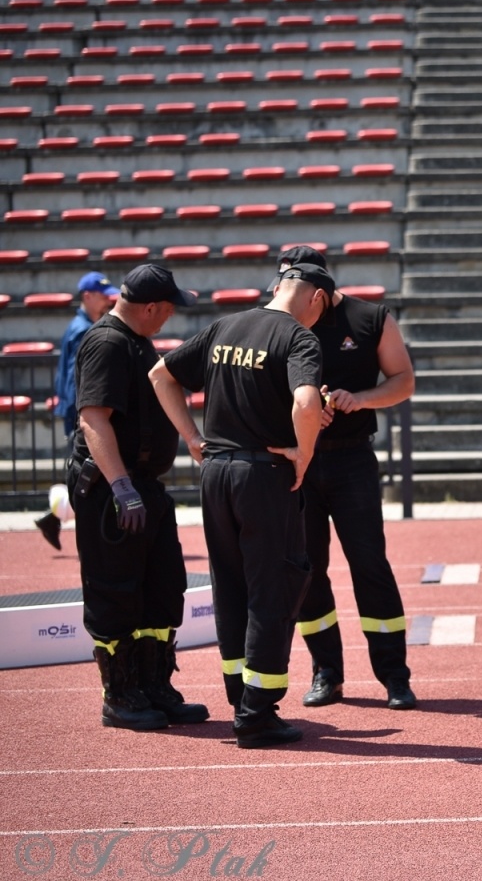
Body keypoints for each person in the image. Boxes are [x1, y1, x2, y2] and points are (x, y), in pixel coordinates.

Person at [150, 262, 330, 748]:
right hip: (263, 475)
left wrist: (191, 436)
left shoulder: (225, 326)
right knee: (275, 585)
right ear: (314, 298)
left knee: (229, 585)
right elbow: (307, 401)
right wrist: (304, 454)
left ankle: (239, 694)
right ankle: (256, 712)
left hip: (216, 471)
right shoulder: (298, 338)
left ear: (277, 288)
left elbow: (160, 374)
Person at [274, 247, 419, 711]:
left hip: (351, 460)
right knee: (307, 570)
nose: (287, 298)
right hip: (300, 463)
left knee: (370, 565)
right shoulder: (278, 323)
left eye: (297, 289)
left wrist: (359, 399)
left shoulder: (370, 318)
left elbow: (403, 381)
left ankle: (395, 676)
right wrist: (304, 409)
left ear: (320, 289)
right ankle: (327, 674)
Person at [67, 264, 208, 731]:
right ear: (150, 307)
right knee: (116, 593)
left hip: (143, 485)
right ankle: (121, 695)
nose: (169, 318)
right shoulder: (108, 342)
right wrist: (122, 488)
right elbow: (93, 419)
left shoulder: (136, 340)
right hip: (113, 490)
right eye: (167, 309)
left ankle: (153, 687)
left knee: (163, 586)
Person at [36, 273, 119, 549]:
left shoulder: (80, 325)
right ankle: (67, 524)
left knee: (84, 475)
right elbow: (78, 381)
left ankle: (53, 519)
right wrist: (82, 418)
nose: (108, 299)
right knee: (87, 476)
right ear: (87, 296)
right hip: (80, 415)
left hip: (75, 413)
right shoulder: (84, 330)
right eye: (102, 294)